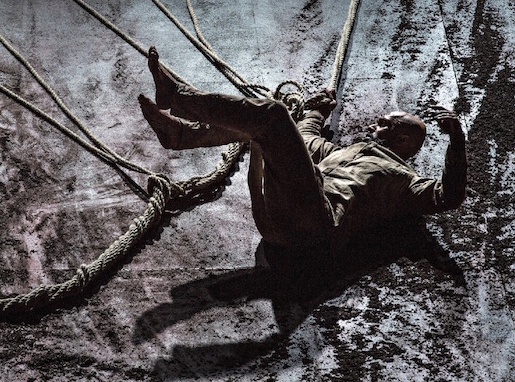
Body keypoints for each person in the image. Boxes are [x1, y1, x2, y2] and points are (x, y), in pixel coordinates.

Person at [138, 47, 467, 254]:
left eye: (385, 124)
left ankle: (177, 98)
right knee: (266, 126)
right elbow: (305, 140)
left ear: (404, 140)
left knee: (273, 115)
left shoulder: (403, 179)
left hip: (316, 223)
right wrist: (316, 110)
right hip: (282, 218)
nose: (374, 124)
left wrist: (456, 142)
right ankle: (180, 133)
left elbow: (447, 196)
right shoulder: (346, 153)